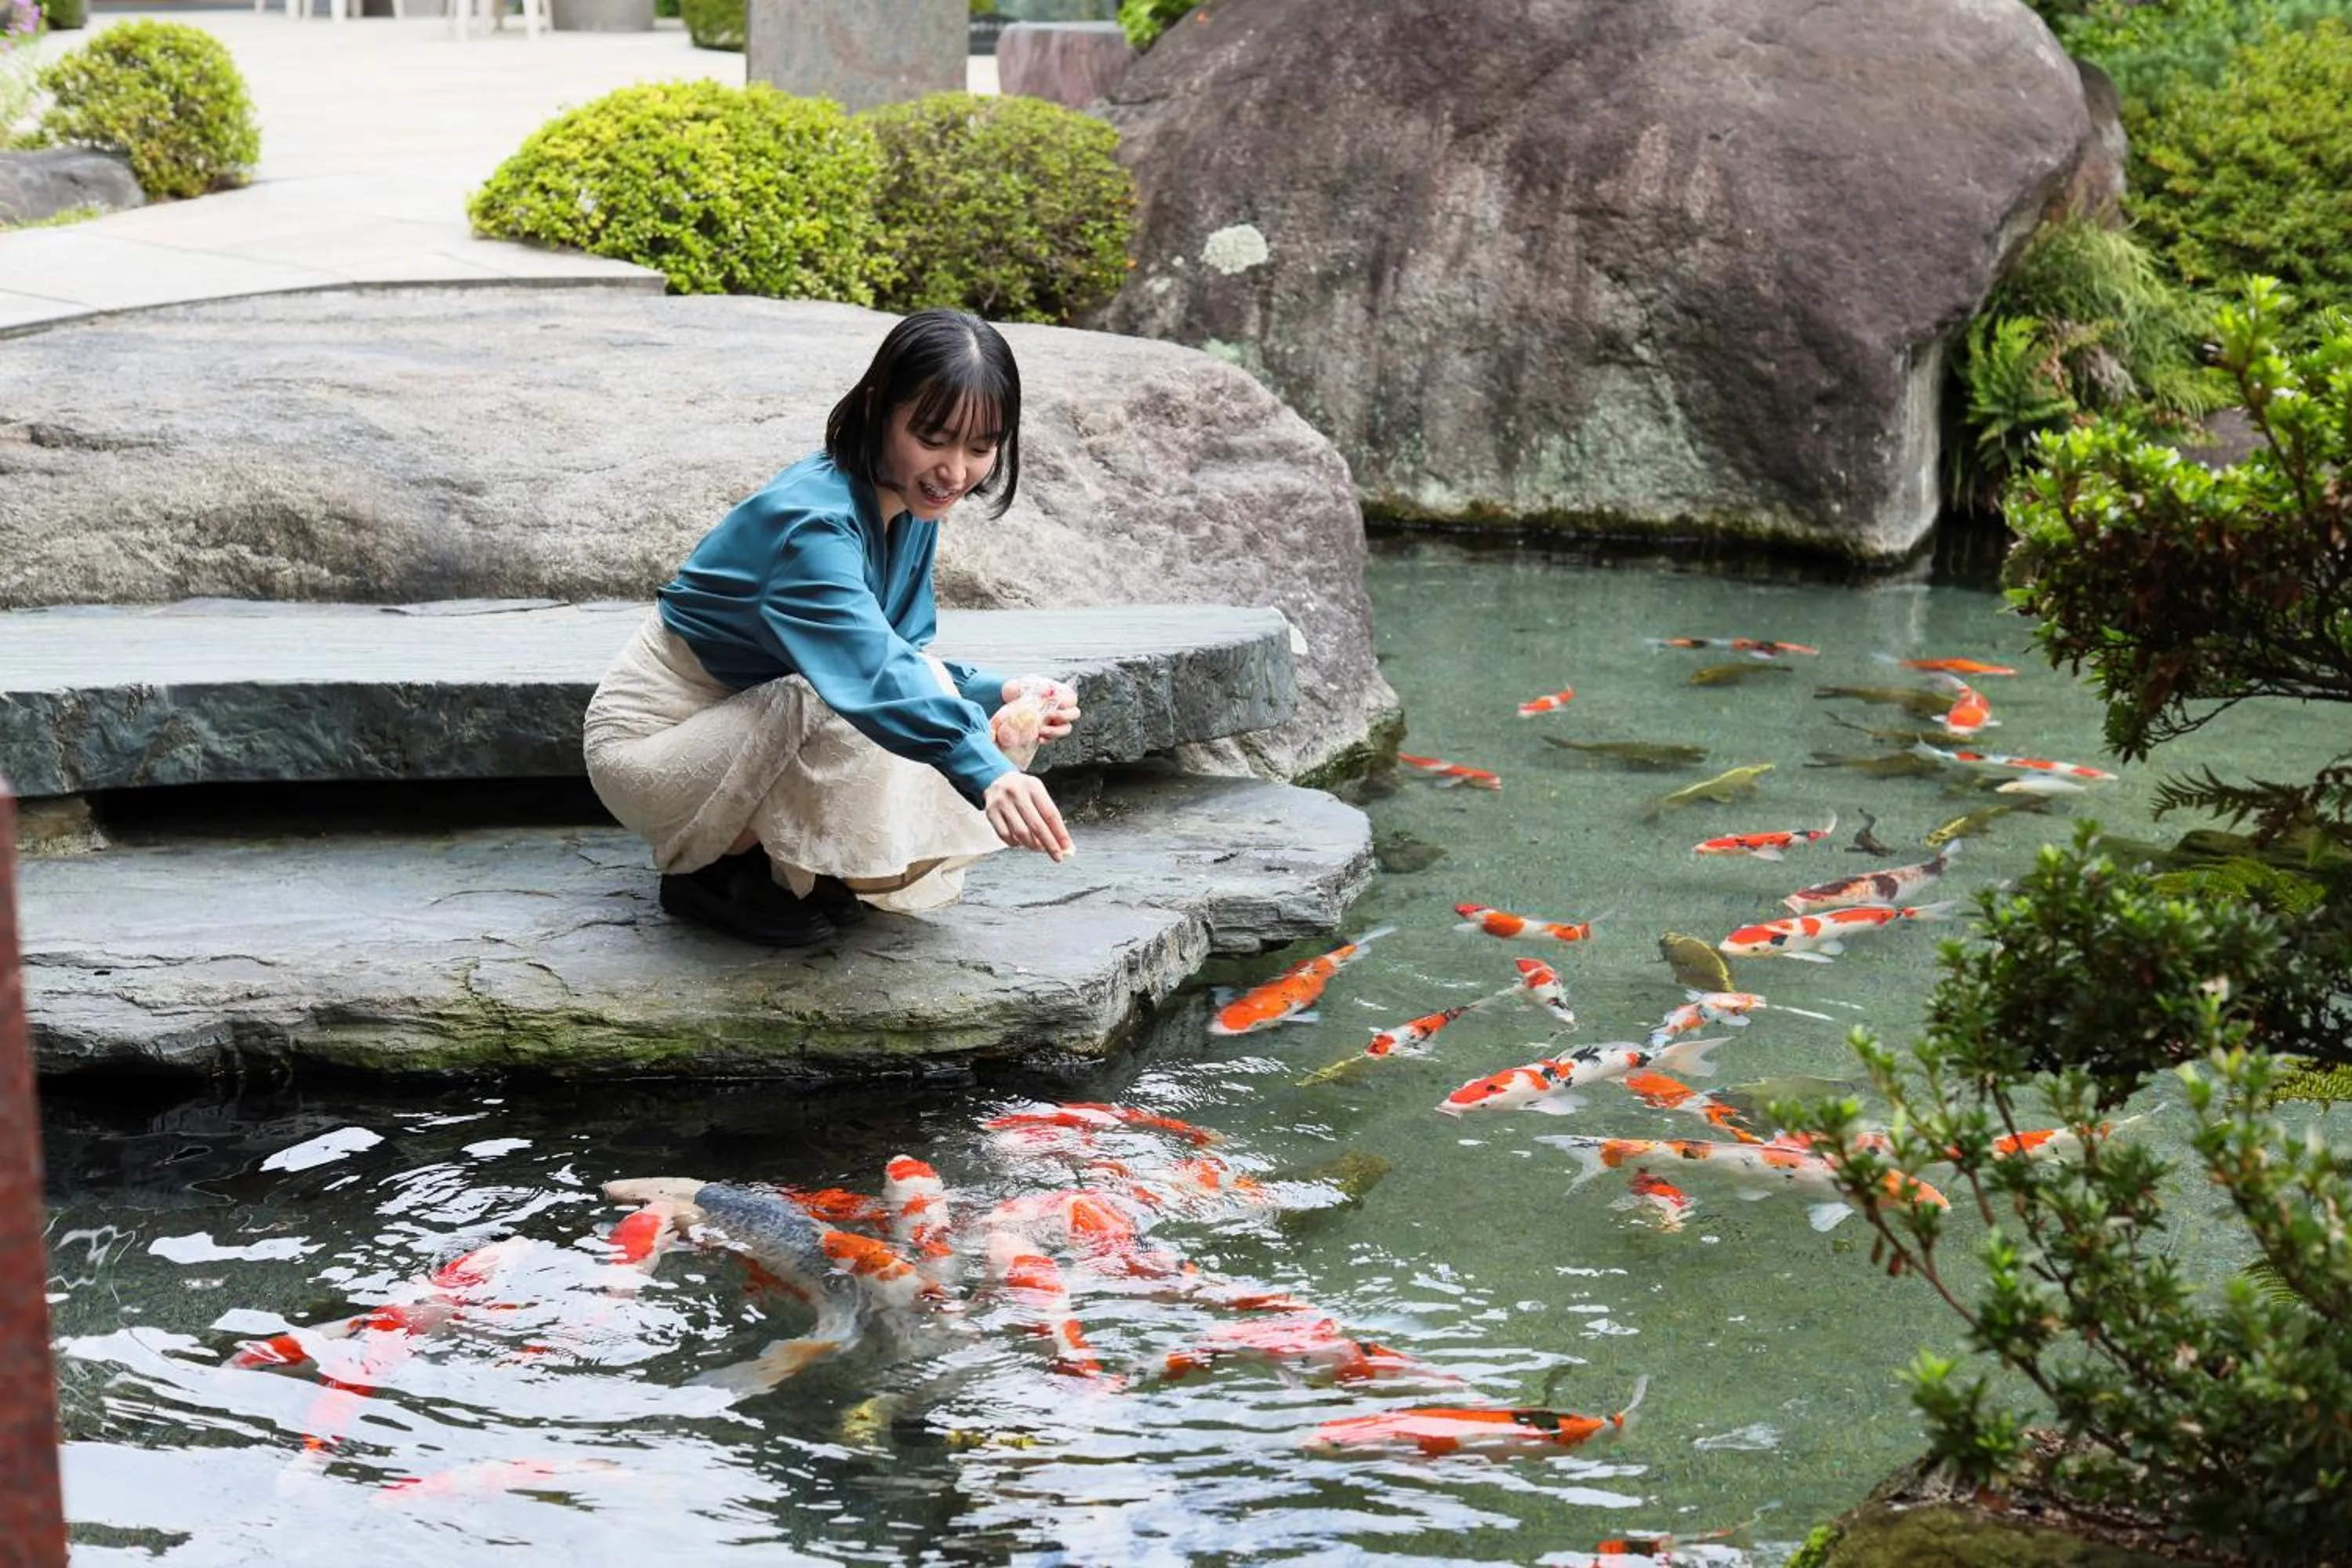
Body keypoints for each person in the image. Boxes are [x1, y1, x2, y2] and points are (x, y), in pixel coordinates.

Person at [582, 308, 1078, 947]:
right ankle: (713, 869)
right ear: (877, 407)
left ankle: (791, 867)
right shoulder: (813, 527)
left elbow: (896, 656)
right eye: (933, 438)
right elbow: (867, 672)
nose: (955, 471)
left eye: (980, 449)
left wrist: (1001, 694)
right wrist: (990, 774)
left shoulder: (909, 506)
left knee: (899, 702)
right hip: (654, 750)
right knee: (823, 698)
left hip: (747, 723)